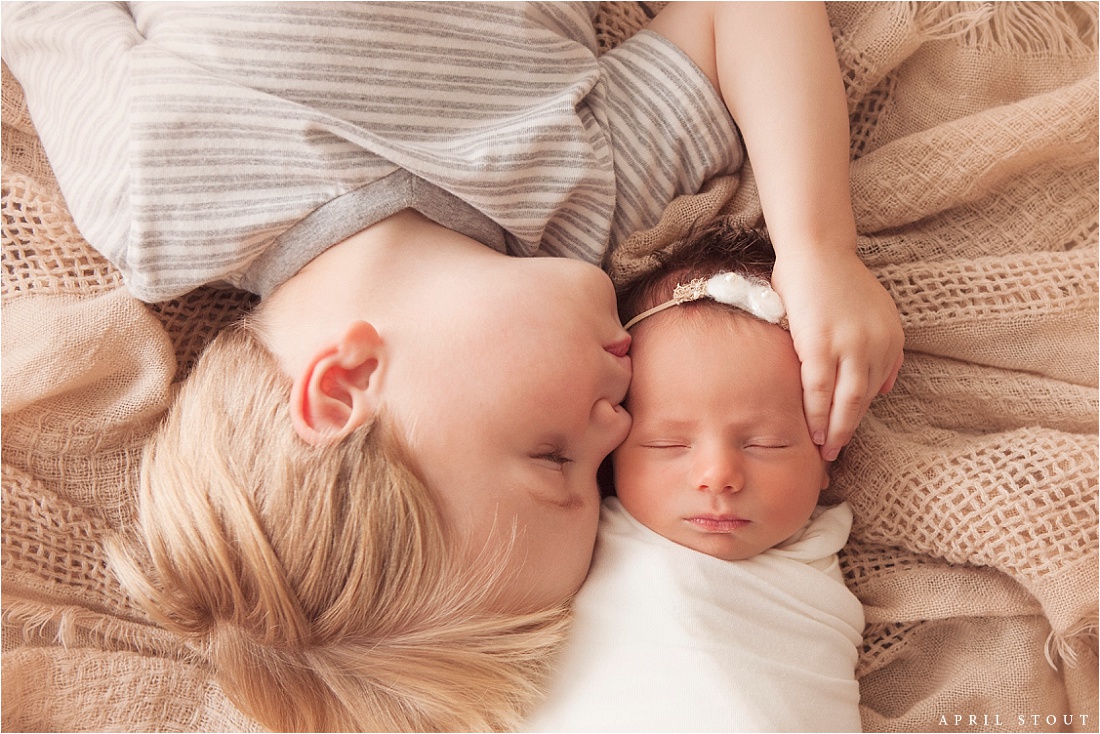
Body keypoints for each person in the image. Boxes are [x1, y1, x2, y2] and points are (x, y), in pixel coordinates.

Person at [1, 2, 899, 730]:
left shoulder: (152, 196)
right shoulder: (587, 209)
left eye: (552, 455)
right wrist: (817, 247)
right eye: (600, 474)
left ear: (345, 383)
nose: (617, 425)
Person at [527, 222, 866, 733]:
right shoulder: (569, 528)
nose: (718, 477)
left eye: (766, 444)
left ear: (827, 455)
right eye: (668, 444)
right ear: (611, 453)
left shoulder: (821, 557)